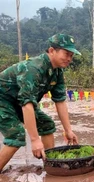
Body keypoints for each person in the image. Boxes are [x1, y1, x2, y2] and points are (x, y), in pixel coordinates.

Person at [0, 34, 80, 173]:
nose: (69, 59)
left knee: (47, 124)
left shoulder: (57, 72)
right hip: (3, 100)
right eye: (66, 54)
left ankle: (51, 167)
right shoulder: (34, 68)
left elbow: (60, 101)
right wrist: (35, 140)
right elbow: (27, 104)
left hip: (18, 101)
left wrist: (68, 130)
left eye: (71, 56)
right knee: (16, 134)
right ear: (52, 50)